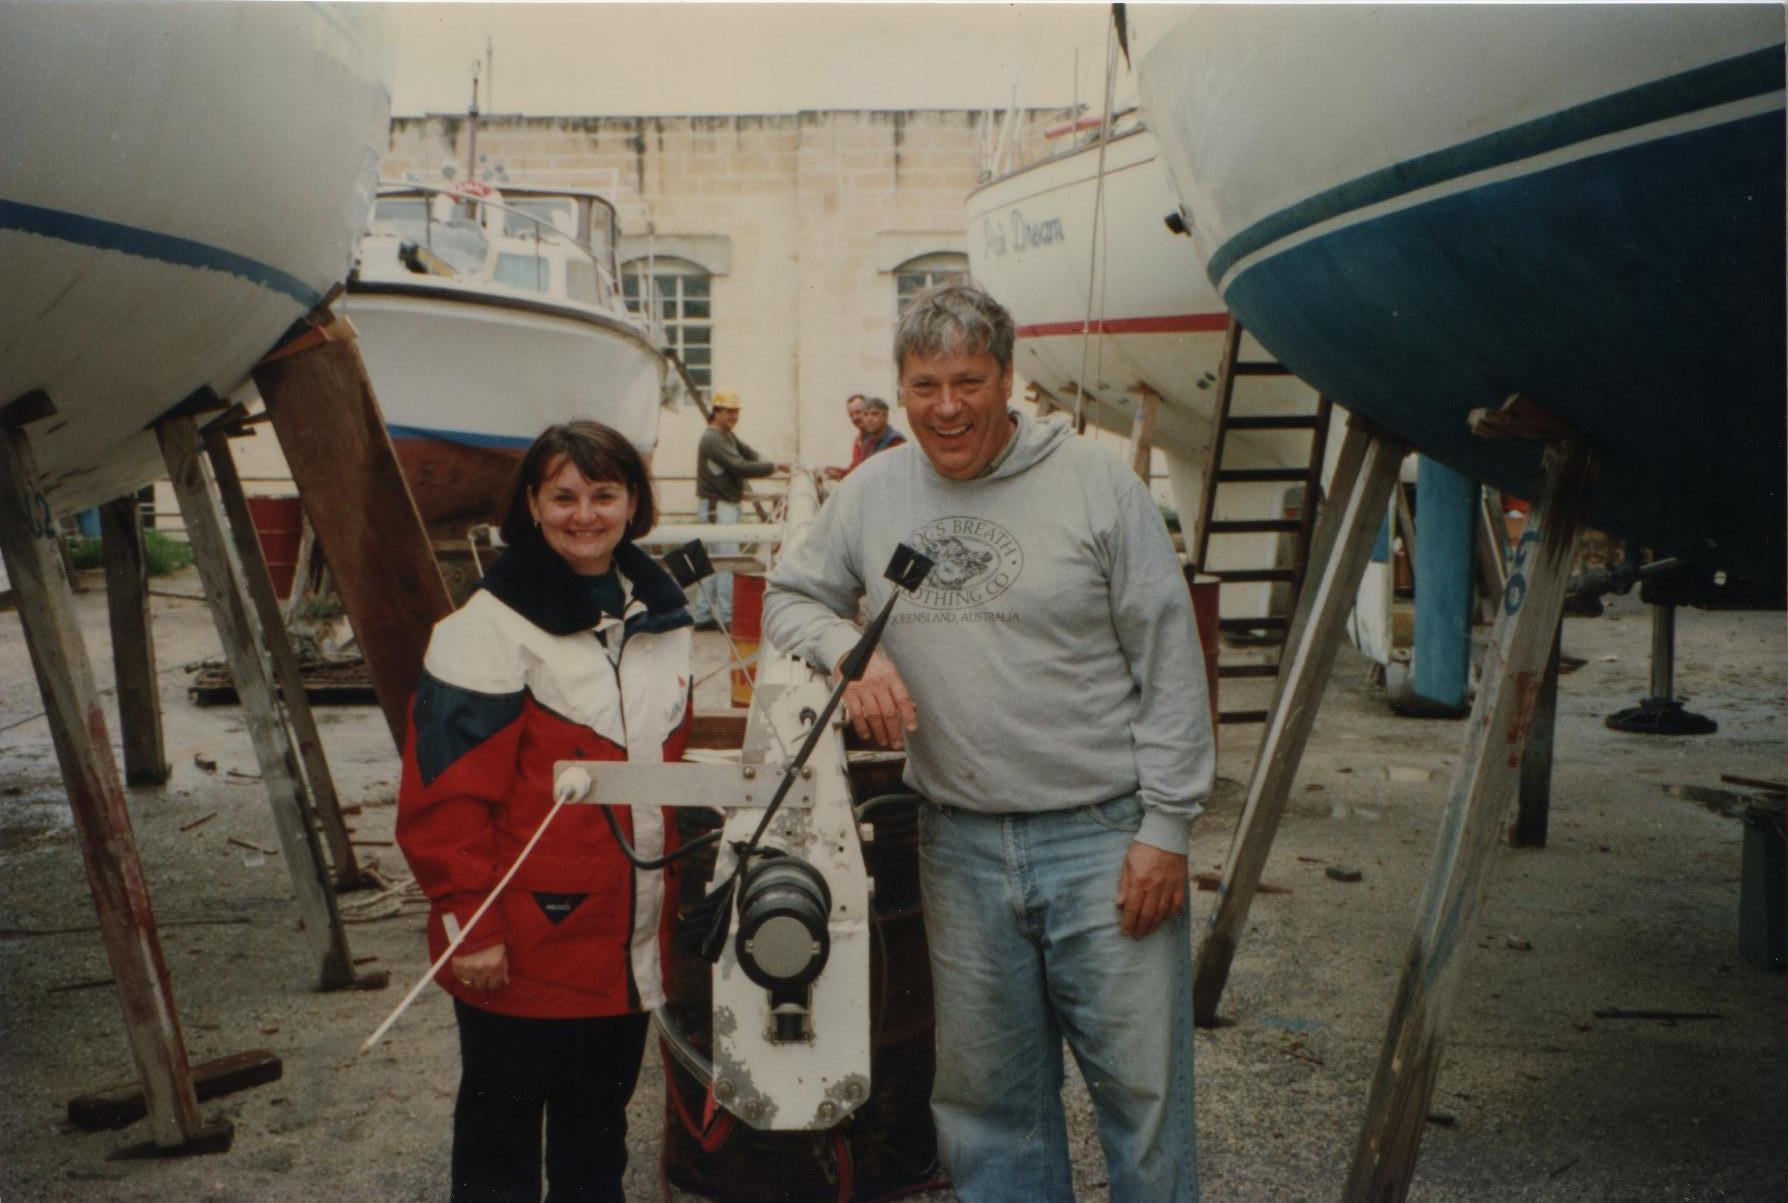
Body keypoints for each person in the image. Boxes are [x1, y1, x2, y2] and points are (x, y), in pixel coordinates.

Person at [762, 281, 1211, 1202]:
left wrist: (1166, 825)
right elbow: (788, 596)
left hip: (1103, 835)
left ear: (1009, 379)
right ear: (899, 387)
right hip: (959, 841)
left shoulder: (1098, 486)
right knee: (988, 1107)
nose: (948, 407)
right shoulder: (874, 489)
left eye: (969, 381)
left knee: (1145, 1100)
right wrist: (853, 651)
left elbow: (1170, 657)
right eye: (925, 385)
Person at [396, 420, 694, 1203]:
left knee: (597, 1135)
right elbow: (445, 801)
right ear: (531, 503)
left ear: (634, 502)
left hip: (623, 939)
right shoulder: (484, 630)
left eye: (604, 493)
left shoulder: (663, 620)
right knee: (500, 1145)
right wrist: (472, 923)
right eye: (563, 496)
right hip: (522, 941)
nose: (584, 514)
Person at [692, 388, 787, 630]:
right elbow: (739, 465)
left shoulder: (725, 435)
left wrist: (768, 461)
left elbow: (748, 453)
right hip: (718, 507)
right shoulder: (713, 438)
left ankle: (704, 614)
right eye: (729, 412)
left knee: (713, 561)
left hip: (721, 505)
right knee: (726, 562)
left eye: (736, 412)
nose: (734, 416)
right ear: (716, 412)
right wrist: (774, 466)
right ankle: (727, 617)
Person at [825, 393, 907, 480]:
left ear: (885, 417)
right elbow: (859, 470)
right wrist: (840, 473)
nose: (869, 419)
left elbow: (894, 476)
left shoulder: (894, 440)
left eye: (874, 414)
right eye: (866, 415)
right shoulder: (866, 440)